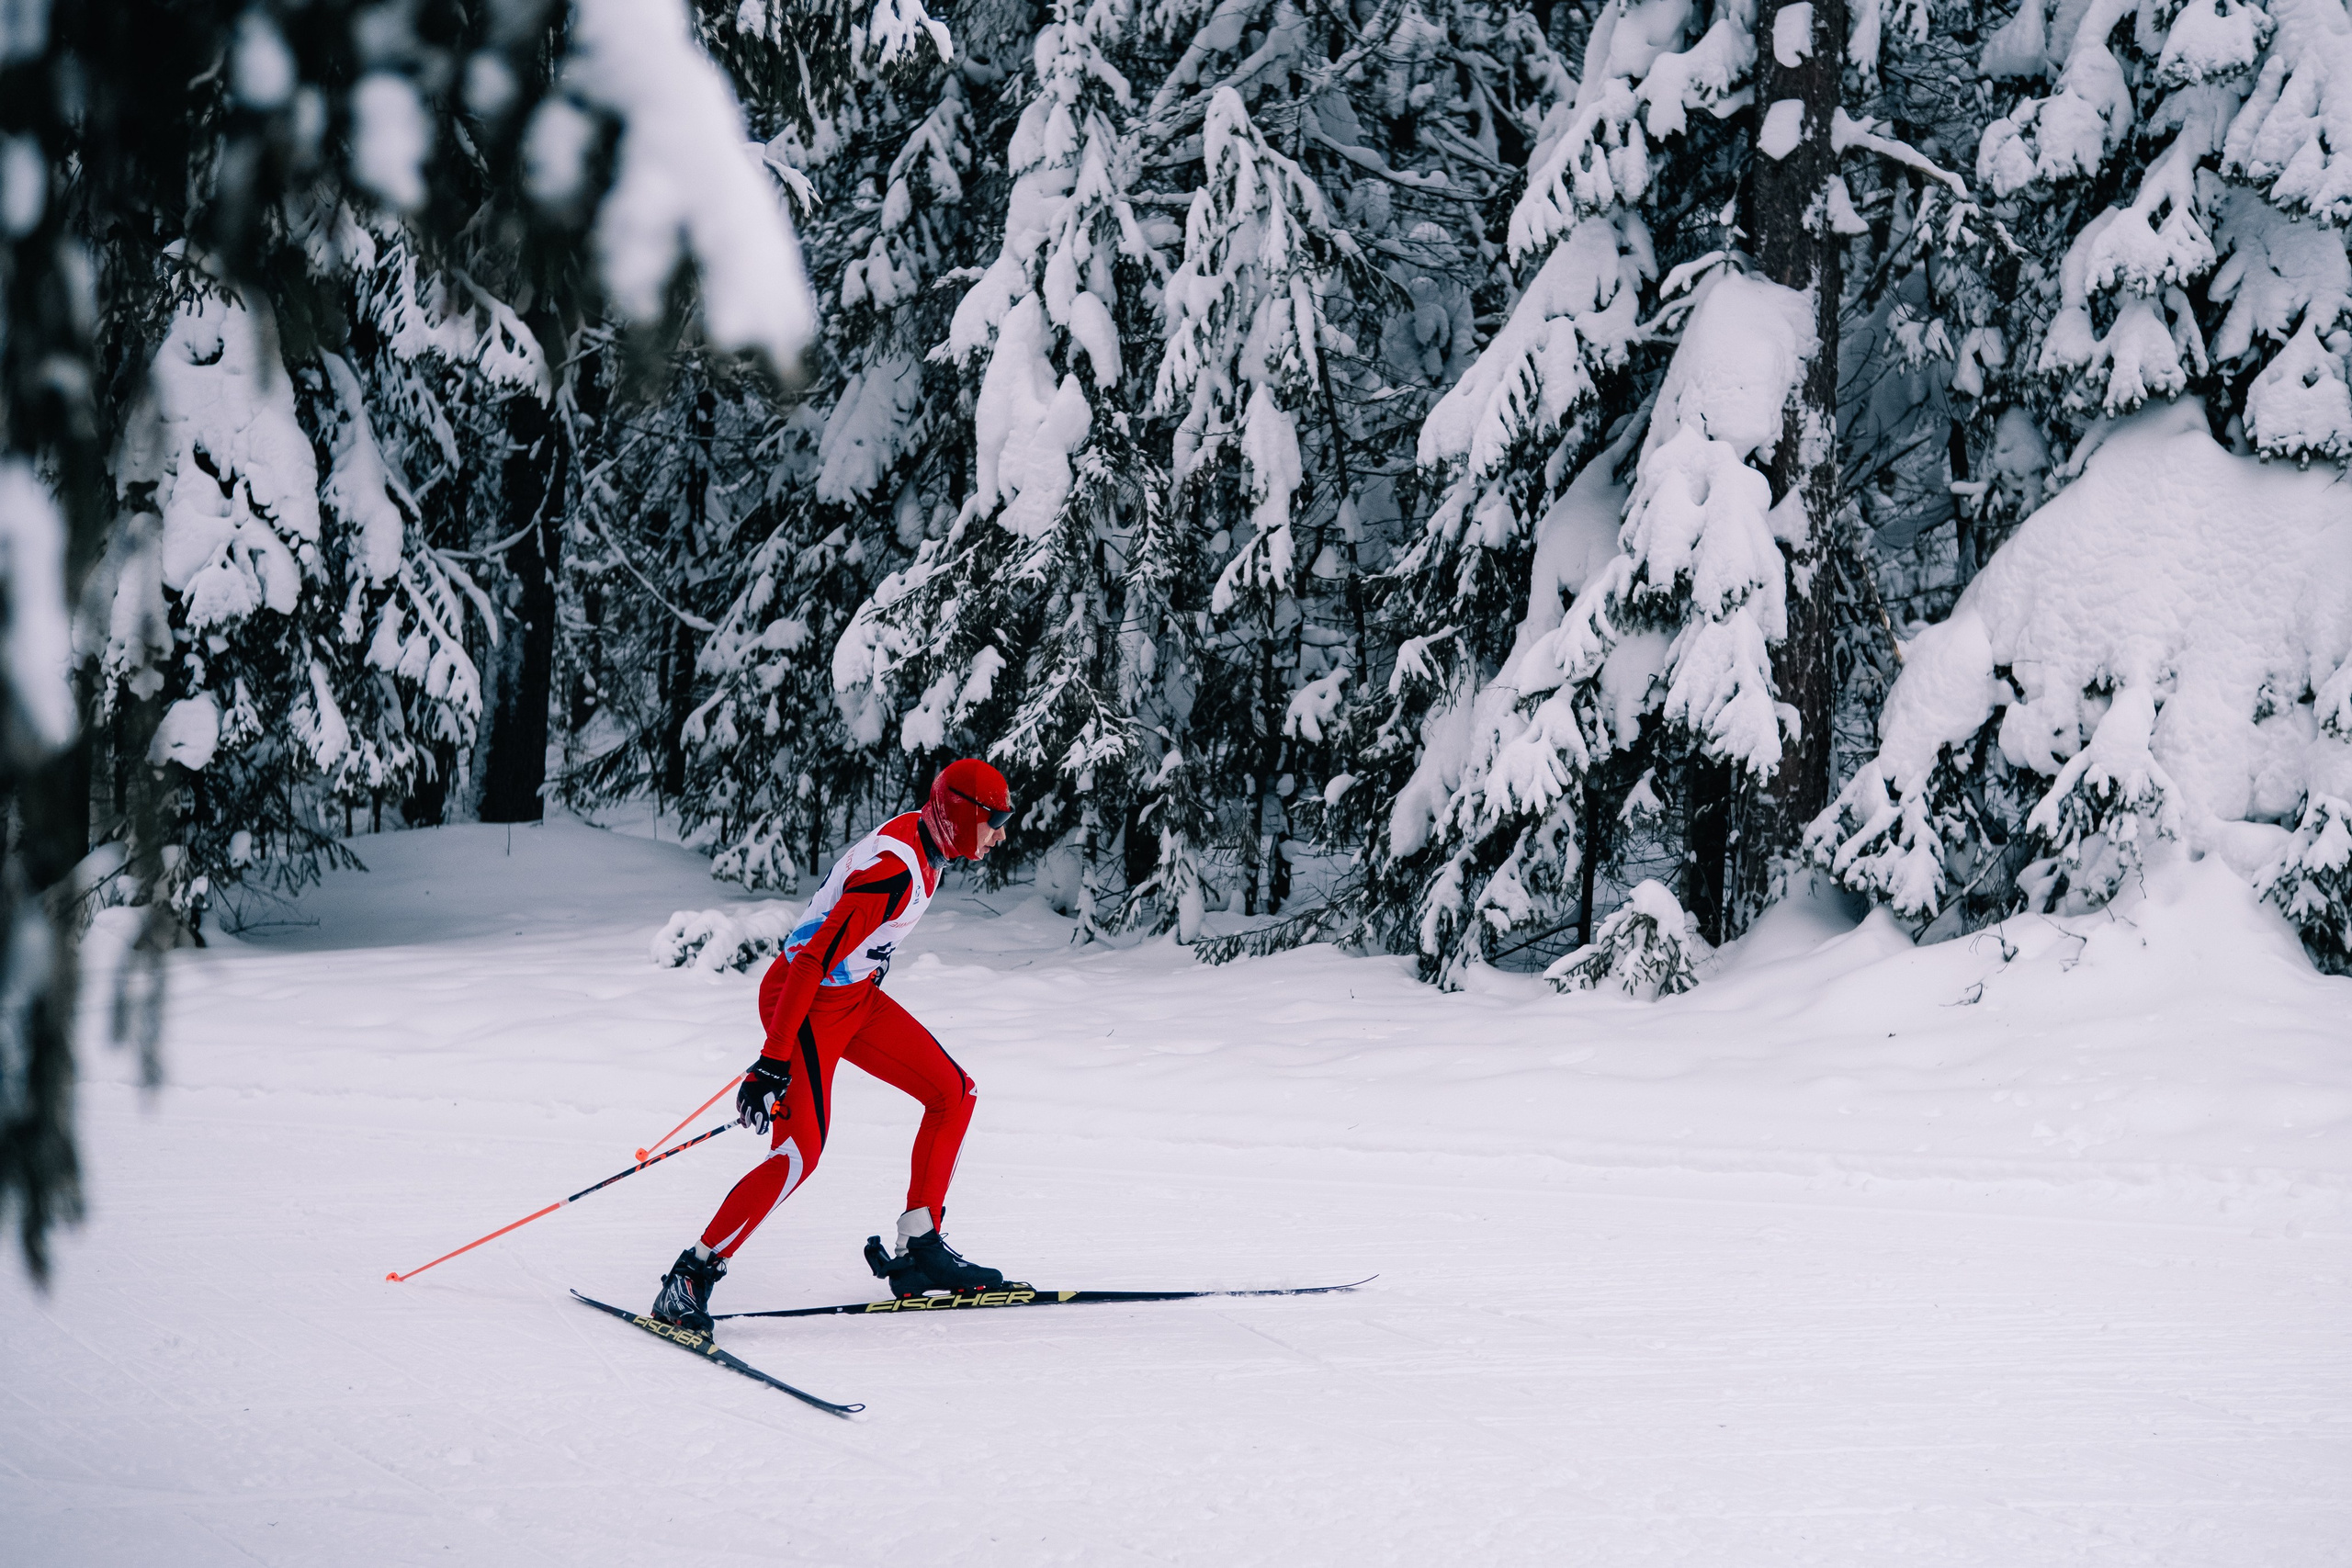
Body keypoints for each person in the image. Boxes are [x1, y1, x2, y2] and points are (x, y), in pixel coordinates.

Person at [650, 759, 1019, 1335]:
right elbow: (809, 959)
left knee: (954, 1092)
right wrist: (773, 1060)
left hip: (850, 1000)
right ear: (962, 815)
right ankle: (690, 1276)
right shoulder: (895, 871)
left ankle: (921, 1246)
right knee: (798, 1156)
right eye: (994, 821)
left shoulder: (929, 850)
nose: (1000, 835)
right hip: (804, 1000)